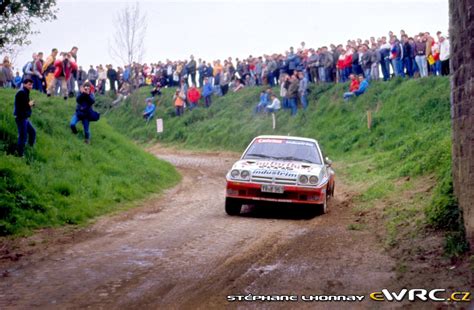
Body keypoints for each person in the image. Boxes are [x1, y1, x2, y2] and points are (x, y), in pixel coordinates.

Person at [13, 78, 36, 157]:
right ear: (24, 84)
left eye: (32, 85)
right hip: (20, 117)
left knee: (32, 132)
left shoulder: (25, 92)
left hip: (24, 117)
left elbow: (25, 104)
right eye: (29, 84)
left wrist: (30, 104)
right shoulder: (21, 92)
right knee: (23, 136)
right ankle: (20, 154)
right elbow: (23, 106)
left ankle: (30, 148)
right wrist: (29, 104)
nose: (31, 86)